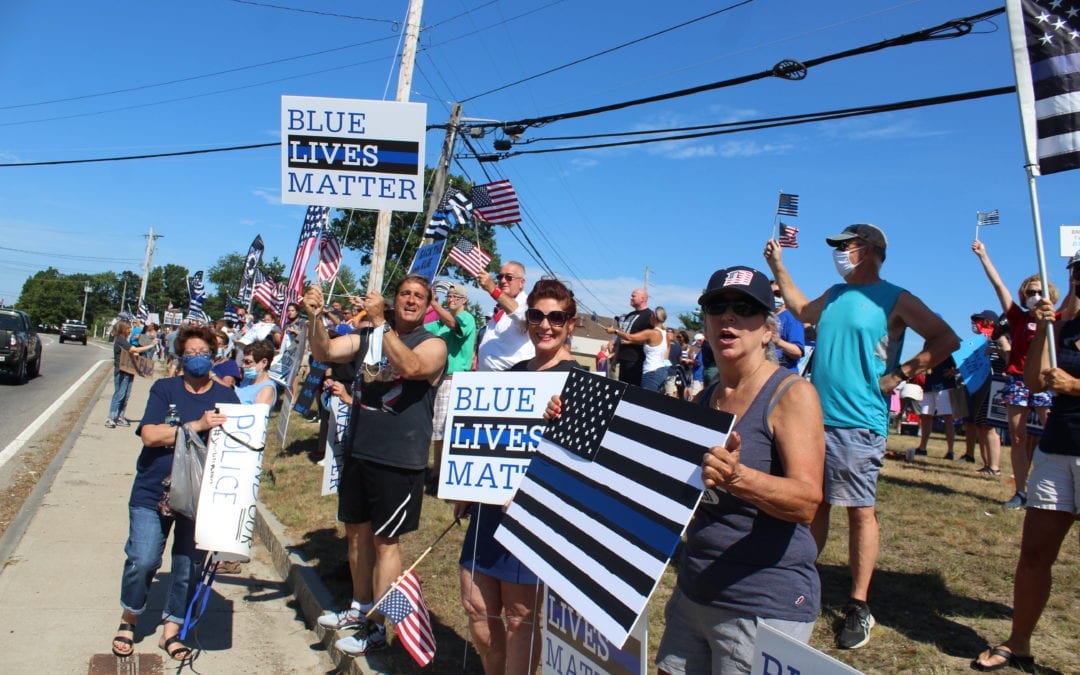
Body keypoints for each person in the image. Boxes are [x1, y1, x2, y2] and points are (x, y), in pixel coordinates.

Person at [766, 223, 959, 650]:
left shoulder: (896, 298)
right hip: (815, 417)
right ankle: (800, 583)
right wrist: (778, 265)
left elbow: (946, 337)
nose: (838, 253)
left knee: (859, 511)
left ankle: (858, 604)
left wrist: (901, 374)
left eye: (845, 246)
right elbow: (802, 311)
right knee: (812, 503)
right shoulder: (836, 294)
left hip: (859, 421)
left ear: (868, 250)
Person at [634, 266, 825, 673]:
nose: (729, 316)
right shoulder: (703, 402)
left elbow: (807, 502)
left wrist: (738, 478)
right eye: (717, 306)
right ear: (705, 322)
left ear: (768, 330)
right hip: (695, 590)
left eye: (745, 308)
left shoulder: (792, 395)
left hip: (760, 601)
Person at [303, 276, 446, 656]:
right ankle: (359, 606)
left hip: (400, 458)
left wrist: (381, 323)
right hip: (360, 450)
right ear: (394, 299)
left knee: (386, 542)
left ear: (427, 305)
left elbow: (412, 367)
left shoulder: (434, 343)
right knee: (355, 534)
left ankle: (379, 626)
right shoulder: (367, 337)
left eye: (419, 296)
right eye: (405, 294)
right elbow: (325, 351)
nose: (411, 300)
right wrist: (315, 319)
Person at [459, 278, 583, 675]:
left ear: (571, 323)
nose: (545, 325)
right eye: (536, 316)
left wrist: (561, 424)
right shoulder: (512, 372)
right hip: (489, 508)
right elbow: (489, 437)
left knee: (518, 616)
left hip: (533, 515)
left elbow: (583, 465)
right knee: (476, 606)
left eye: (556, 318)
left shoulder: (580, 382)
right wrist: (465, 485)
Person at [110, 325, 238, 661]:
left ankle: (171, 629)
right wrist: (196, 426)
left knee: (187, 566)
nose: (197, 358)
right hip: (153, 490)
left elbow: (240, 445)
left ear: (214, 356)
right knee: (143, 559)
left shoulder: (226, 397)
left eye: (203, 353)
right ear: (180, 357)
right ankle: (129, 617)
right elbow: (150, 435)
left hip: (201, 497)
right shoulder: (164, 389)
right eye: (191, 353)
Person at [971, 297, 1080, 672]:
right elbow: (1034, 381)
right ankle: (1018, 643)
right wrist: (1042, 332)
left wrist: (1075, 385)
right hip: (1056, 451)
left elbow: (1067, 384)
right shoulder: (1064, 327)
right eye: (1075, 273)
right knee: (1034, 555)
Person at [972, 241, 1060, 509]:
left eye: (1040, 291)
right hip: (1018, 380)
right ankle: (1021, 491)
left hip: (1046, 380)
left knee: (1054, 433)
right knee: (1018, 437)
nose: (1035, 295)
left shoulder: (1057, 318)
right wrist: (983, 255)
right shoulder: (1018, 318)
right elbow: (999, 286)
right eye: (1031, 292)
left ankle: (1056, 488)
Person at [425, 283, 478, 486]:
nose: (451, 299)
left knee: (445, 430)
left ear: (464, 300)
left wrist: (434, 303)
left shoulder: (466, 318)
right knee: (438, 429)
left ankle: (440, 474)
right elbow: (423, 328)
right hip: (439, 380)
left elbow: (454, 325)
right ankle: (438, 471)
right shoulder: (442, 321)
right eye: (449, 296)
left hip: (454, 380)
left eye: (456, 296)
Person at [477, 261, 534, 371]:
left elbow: (520, 314)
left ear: (521, 283)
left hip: (511, 376)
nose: (503, 281)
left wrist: (493, 289)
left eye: (509, 277)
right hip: (487, 376)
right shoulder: (500, 307)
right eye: (500, 277)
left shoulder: (527, 304)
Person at [105, 320, 156, 428]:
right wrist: (151, 345)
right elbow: (133, 349)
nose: (130, 330)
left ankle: (120, 417)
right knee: (119, 395)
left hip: (128, 371)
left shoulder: (124, 340)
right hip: (121, 371)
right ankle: (111, 418)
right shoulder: (120, 340)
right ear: (123, 329)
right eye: (128, 328)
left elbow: (131, 351)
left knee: (126, 396)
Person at [607, 306, 668, 392]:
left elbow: (630, 336)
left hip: (651, 372)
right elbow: (654, 346)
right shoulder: (665, 334)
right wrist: (631, 342)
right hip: (662, 371)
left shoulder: (651, 333)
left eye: (650, 315)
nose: (649, 317)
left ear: (654, 316)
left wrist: (615, 331)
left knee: (644, 398)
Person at [613, 288, 653, 385]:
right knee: (621, 388)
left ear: (643, 298)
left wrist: (632, 341)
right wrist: (615, 357)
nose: (630, 298)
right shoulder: (629, 315)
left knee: (631, 389)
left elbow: (651, 340)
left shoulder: (649, 316)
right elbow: (620, 337)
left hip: (636, 361)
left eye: (633, 296)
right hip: (623, 358)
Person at [770, 279, 806, 372]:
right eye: (770, 294)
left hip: (785, 375)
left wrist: (778, 341)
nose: (774, 297)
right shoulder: (765, 317)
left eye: (777, 293)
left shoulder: (792, 318)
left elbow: (798, 352)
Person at [235, 339, 277, 407]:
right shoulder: (247, 380)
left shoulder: (266, 389)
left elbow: (258, 413)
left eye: (248, 362)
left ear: (264, 362)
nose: (243, 366)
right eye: (244, 361)